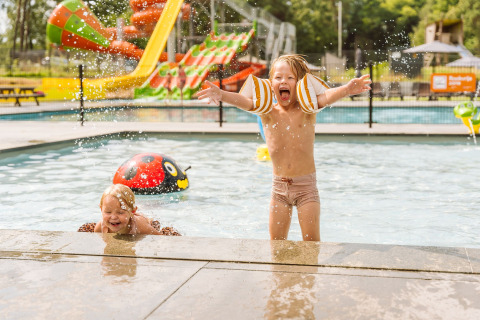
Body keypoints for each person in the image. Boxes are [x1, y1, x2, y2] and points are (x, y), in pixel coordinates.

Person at [196, 54, 371, 241]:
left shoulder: (307, 111)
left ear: (301, 84)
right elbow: (245, 102)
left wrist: (346, 89)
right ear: (271, 83)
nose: (283, 81)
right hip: (279, 189)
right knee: (276, 245)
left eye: (290, 78)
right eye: (278, 78)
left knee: (311, 244)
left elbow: (325, 98)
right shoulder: (267, 112)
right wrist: (221, 94)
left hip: (306, 189)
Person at [94, 184, 162, 235]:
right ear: (101, 209)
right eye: (108, 212)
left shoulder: (140, 226)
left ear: (132, 211)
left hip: (143, 220)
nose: (113, 217)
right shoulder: (99, 228)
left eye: (120, 212)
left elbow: (159, 238)